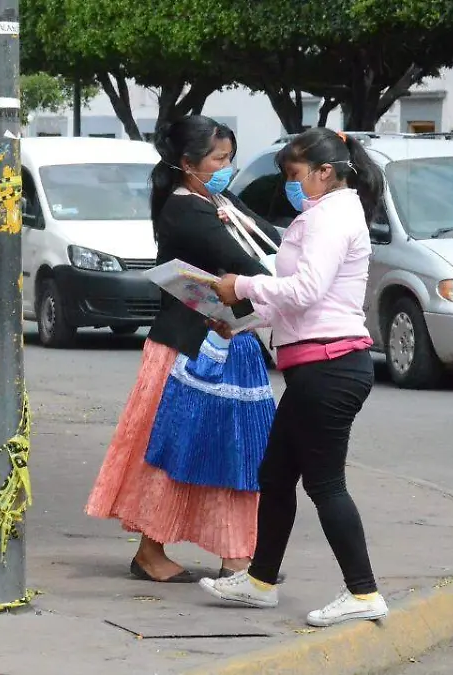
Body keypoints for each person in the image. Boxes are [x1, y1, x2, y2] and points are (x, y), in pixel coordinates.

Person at [200, 127, 390, 628]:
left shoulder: (331, 217)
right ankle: (260, 581)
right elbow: (306, 302)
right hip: (319, 363)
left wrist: (238, 284)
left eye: (294, 174)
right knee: (277, 474)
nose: (290, 183)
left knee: (325, 483)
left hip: (329, 368)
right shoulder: (327, 213)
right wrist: (243, 317)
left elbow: (305, 290)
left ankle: (363, 592)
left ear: (326, 172)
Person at [85, 115, 281, 583]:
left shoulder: (217, 201)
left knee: (233, 453)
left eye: (230, 158)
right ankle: (166, 553)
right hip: (189, 350)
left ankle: (235, 555)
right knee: (176, 453)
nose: (227, 167)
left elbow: (270, 238)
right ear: (187, 163)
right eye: (219, 159)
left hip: (228, 341)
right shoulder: (185, 210)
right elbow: (248, 263)